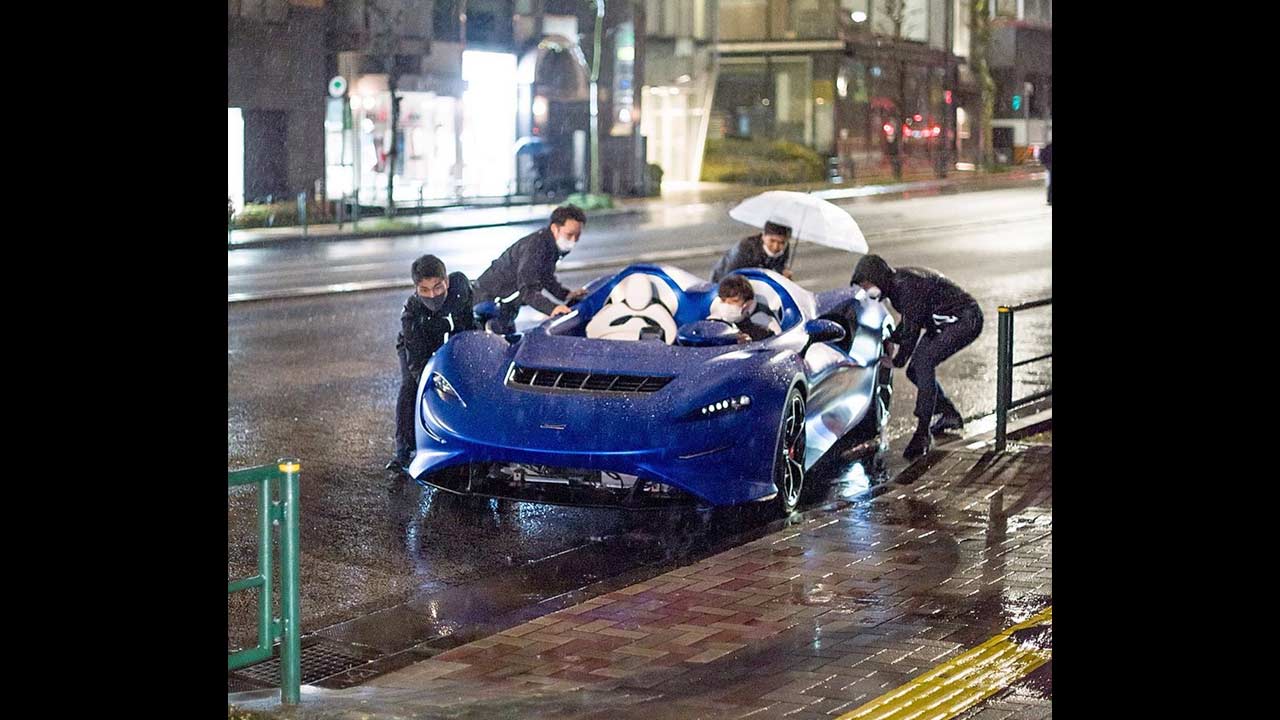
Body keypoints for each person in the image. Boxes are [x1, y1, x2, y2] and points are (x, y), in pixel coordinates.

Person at [851, 254, 983, 460]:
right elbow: (910, 320)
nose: (867, 290)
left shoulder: (906, 287)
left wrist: (896, 361)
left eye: (868, 284)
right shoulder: (897, 286)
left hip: (965, 319)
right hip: (943, 322)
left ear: (878, 277)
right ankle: (948, 414)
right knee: (915, 370)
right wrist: (892, 337)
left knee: (923, 363)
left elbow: (911, 332)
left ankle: (922, 433)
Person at [387, 255, 477, 473]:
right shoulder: (412, 312)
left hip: (454, 343)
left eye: (438, 287)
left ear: (446, 281)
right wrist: (433, 384)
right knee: (411, 387)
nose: (432, 295)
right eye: (424, 290)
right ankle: (404, 449)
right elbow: (416, 361)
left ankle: (473, 438)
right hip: (419, 349)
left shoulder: (461, 288)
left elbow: (469, 323)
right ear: (416, 289)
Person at [473, 204, 589, 334]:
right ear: (555, 229)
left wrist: (565, 294)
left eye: (577, 236)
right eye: (569, 235)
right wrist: (552, 309)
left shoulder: (548, 246)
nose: (573, 240)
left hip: (504, 306)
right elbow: (527, 289)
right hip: (488, 304)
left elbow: (545, 276)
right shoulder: (535, 247)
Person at [710, 221, 794, 282]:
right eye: (772, 241)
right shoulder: (745, 248)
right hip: (724, 277)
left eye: (782, 242)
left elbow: (779, 265)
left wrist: (783, 273)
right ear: (763, 236)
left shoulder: (784, 248)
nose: (776, 247)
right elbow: (731, 274)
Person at [707, 274, 777, 343]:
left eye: (734, 301)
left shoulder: (761, 333)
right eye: (723, 300)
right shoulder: (710, 326)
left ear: (748, 304)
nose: (726, 305)